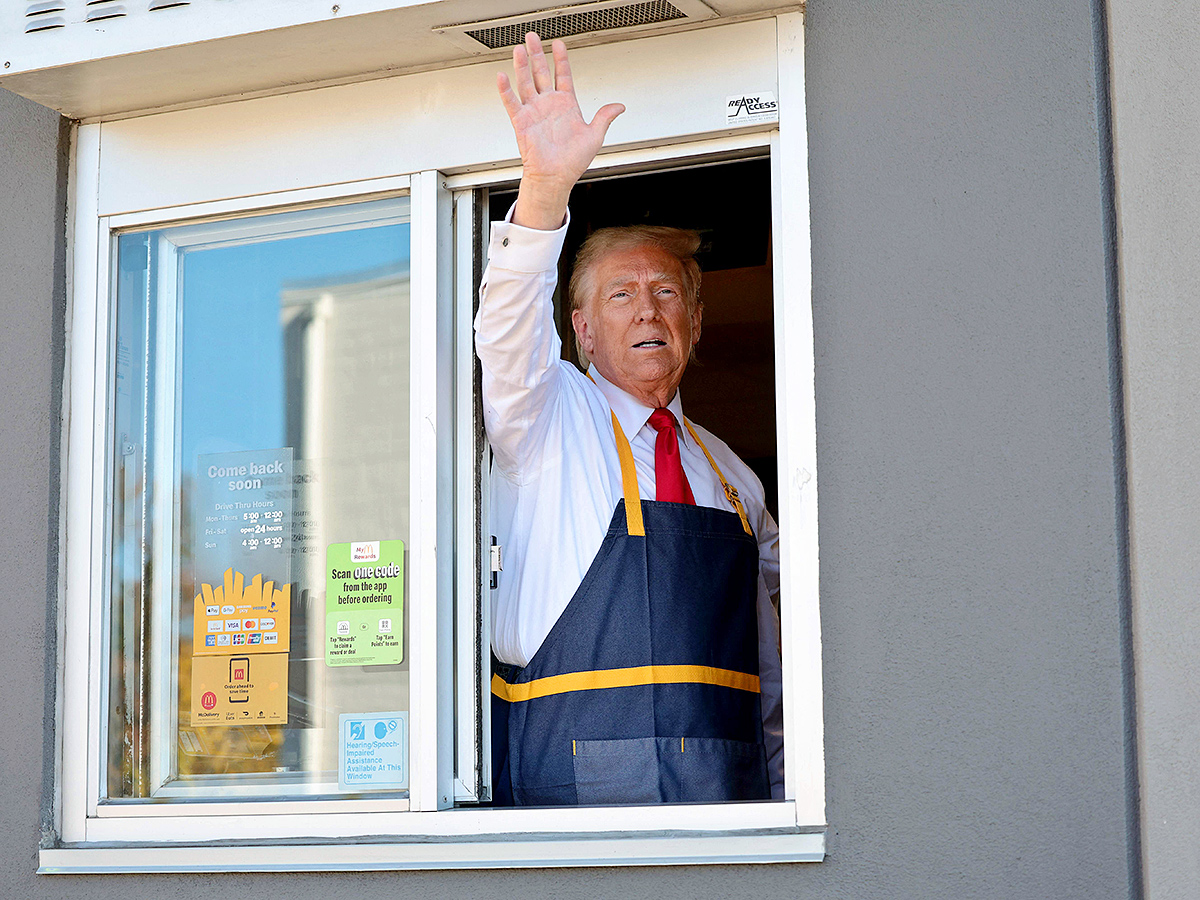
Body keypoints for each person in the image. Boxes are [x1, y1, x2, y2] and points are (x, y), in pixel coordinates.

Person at [476, 33, 783, 807]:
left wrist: (786, 794)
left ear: (696, 321)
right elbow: (509, 334)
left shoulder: (732, 477)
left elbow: (772, 669)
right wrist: (545, 191)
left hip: (727, 811)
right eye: (620, 294)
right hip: (572, 813)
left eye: (667, 291)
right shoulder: (547, 418)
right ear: (580, 330)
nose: (647, 308)